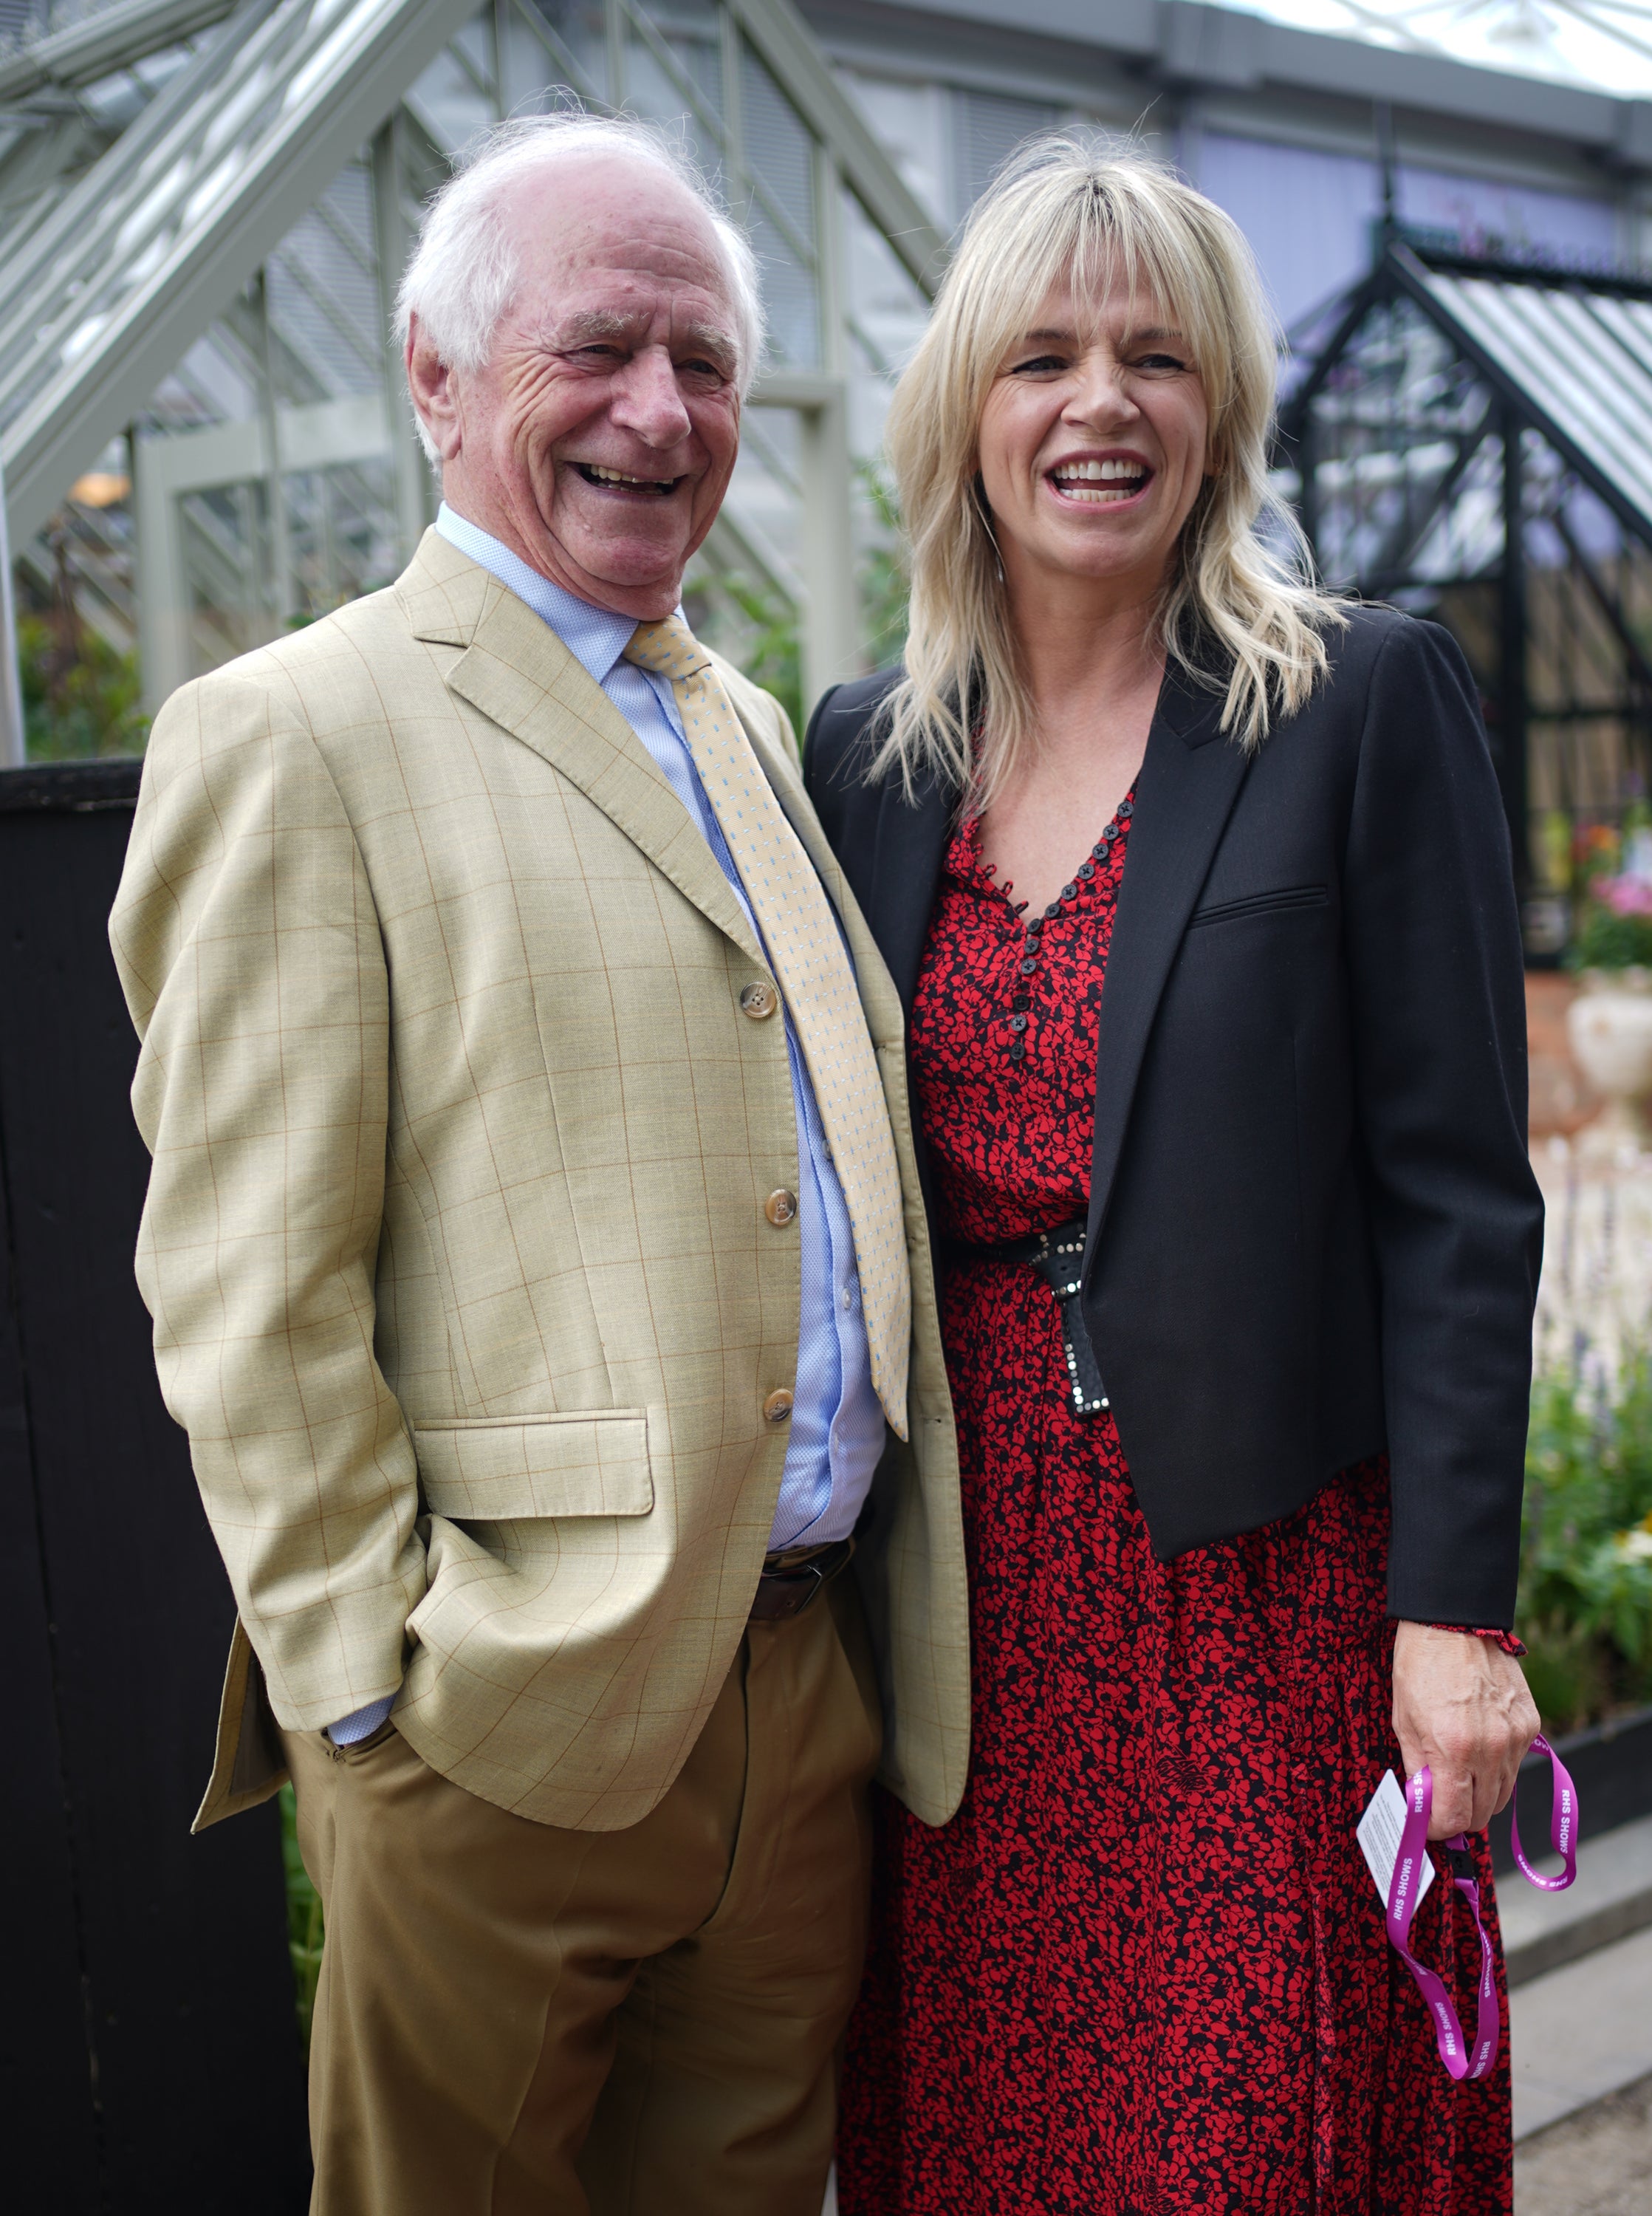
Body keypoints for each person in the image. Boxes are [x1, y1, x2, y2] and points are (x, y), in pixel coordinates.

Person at [109, 112, 967, 2216]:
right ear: (436, 376)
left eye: (705, 362)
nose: (661, 413)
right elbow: (246, 1274)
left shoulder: (753, 727)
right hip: (494, 1732)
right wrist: (362, 1694)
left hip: (800, 1695)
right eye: (596, 348)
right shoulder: (291, 732)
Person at [805, 136, 1544, 2216]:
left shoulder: (1356, 700)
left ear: (1220, 410)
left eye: (1156, 357)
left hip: (1271, 1594)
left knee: (1250, 2134)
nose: (1100, 403)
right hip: (968, 1612)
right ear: (967, 408)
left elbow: (1463, 1203)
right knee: (985, 2136)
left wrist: (1459, 1616)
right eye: (1042, 356)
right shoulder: (865, 753)